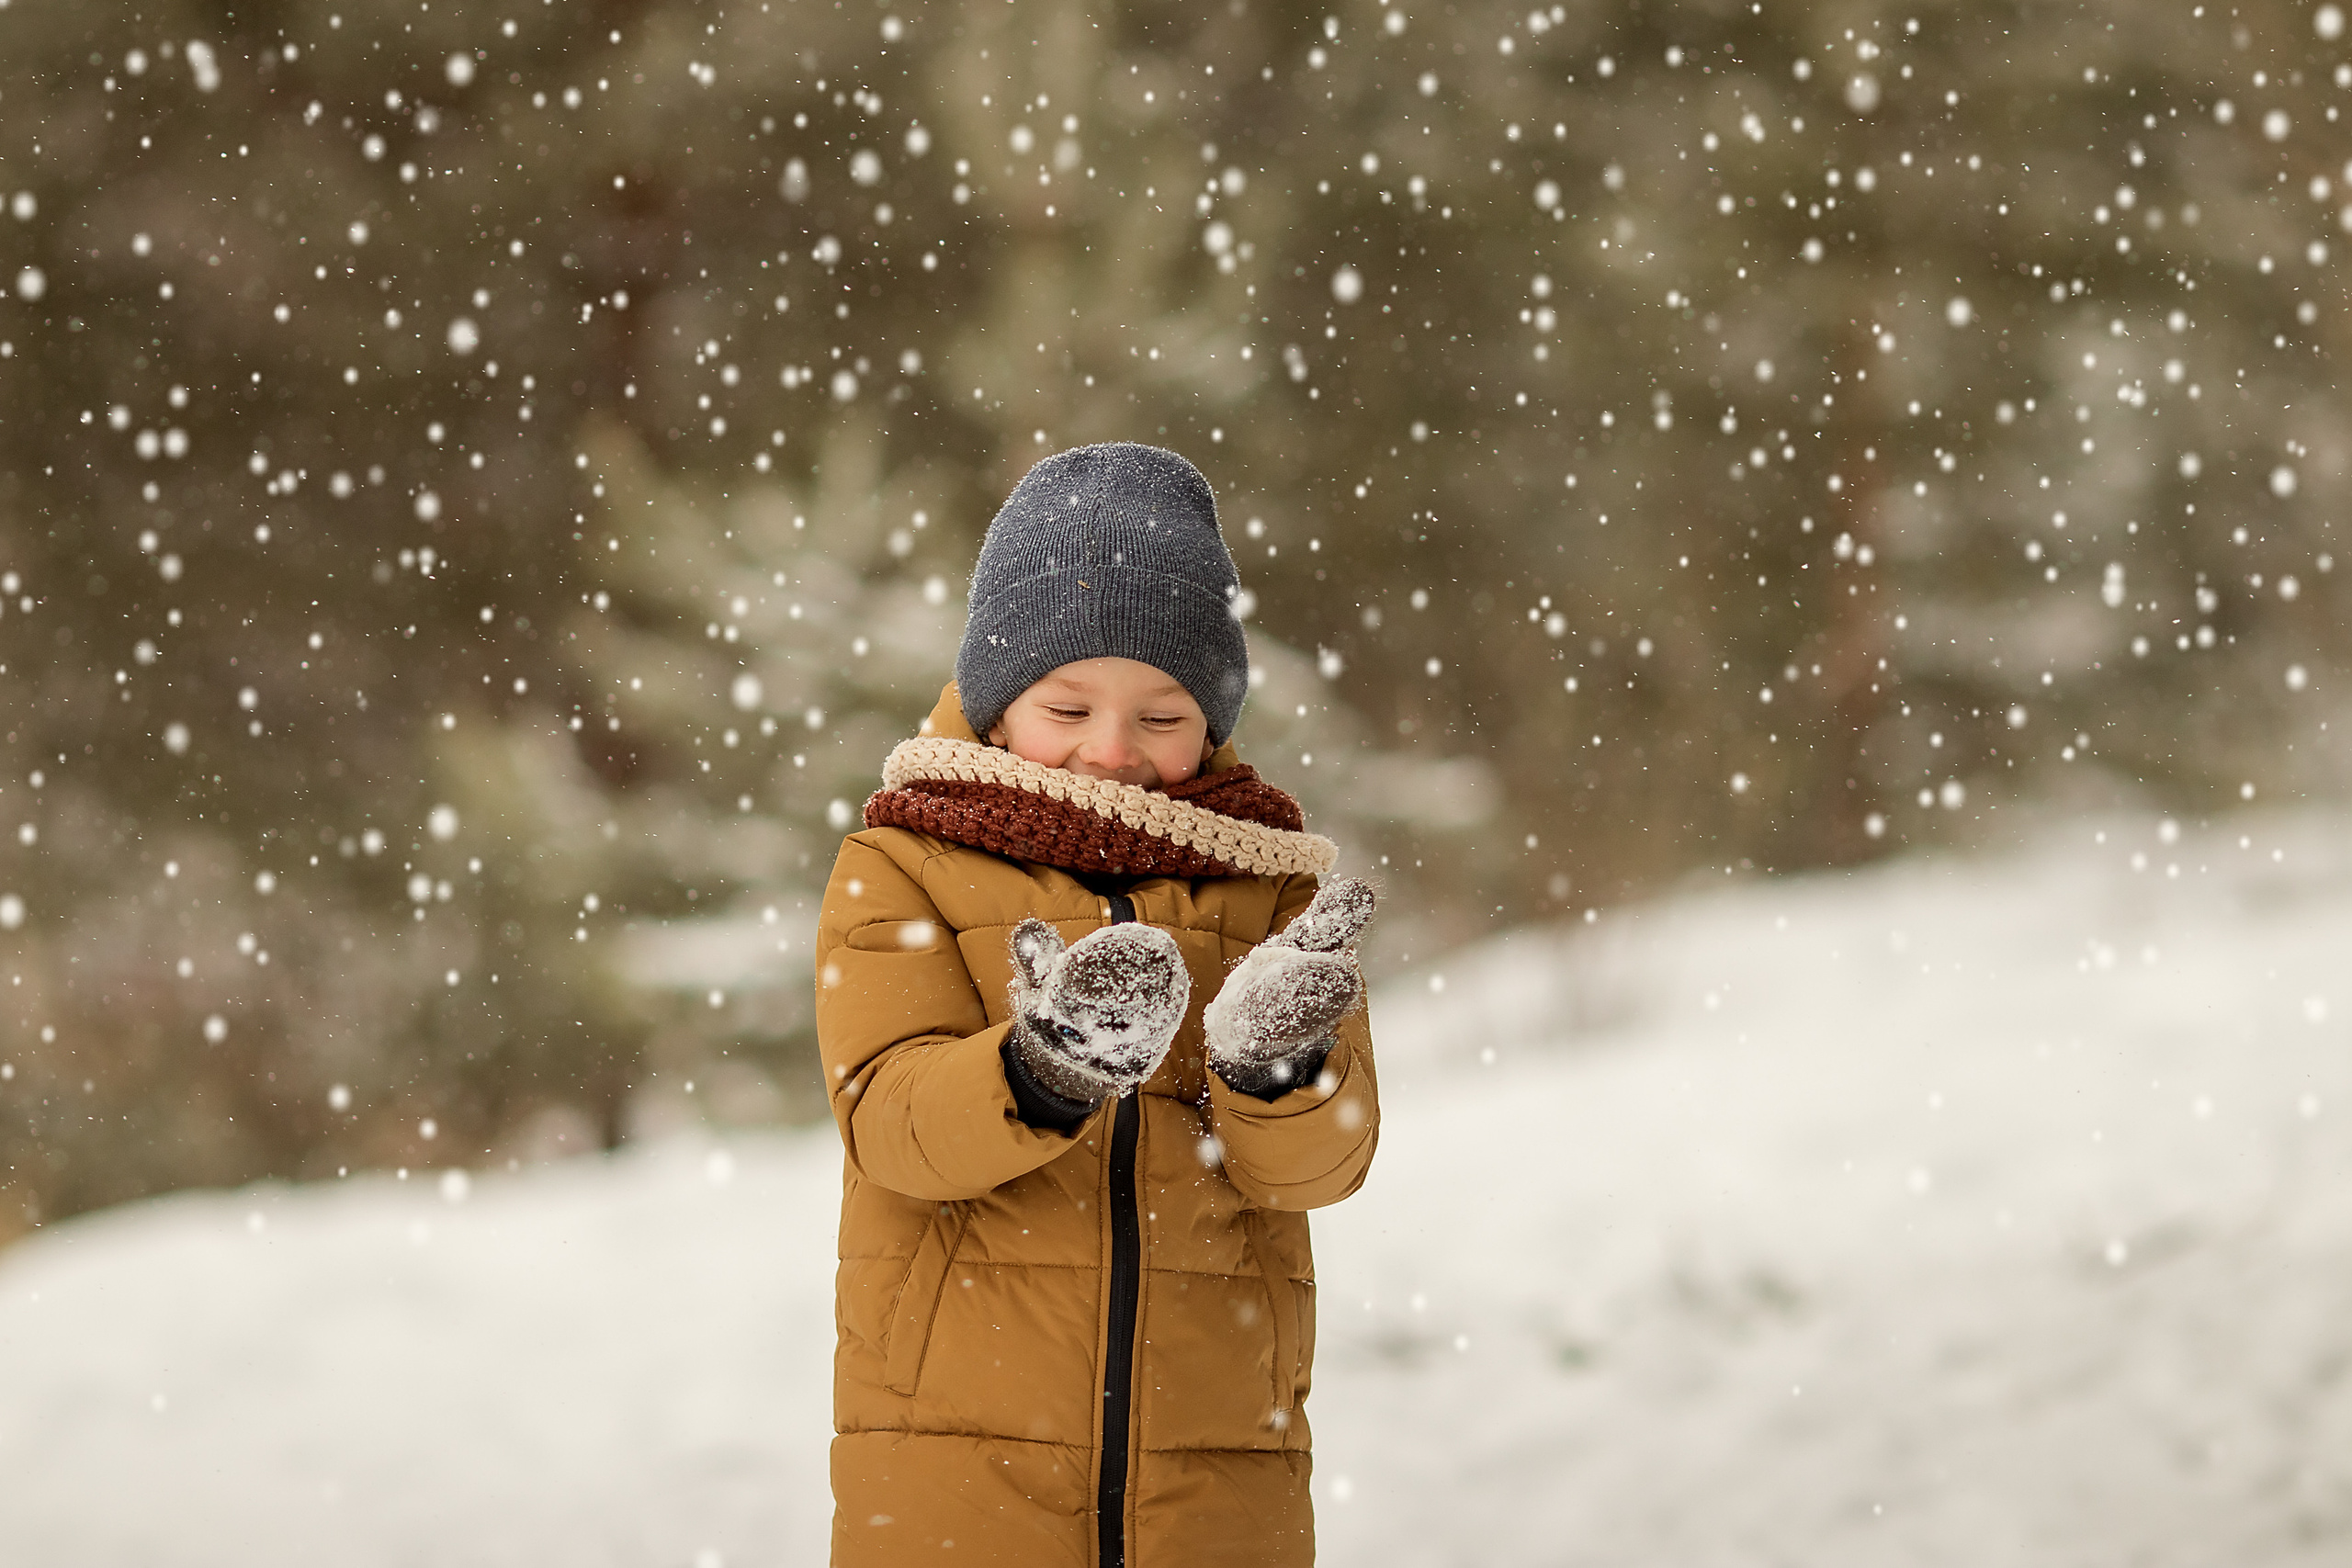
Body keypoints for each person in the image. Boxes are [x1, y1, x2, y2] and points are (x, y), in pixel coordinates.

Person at [813, 442, 1381, 1567]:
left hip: (1216, 1454)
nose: (1111, 752)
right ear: (995, 699)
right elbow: (892, 1124)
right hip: (955, 1461)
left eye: (1161, 716)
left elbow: (1319, 1168)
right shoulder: (904, 860)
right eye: (1066, 705)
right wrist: (1039, 1072)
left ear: (1211, 721)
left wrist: (1278, 1070)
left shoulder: (1267, 881)